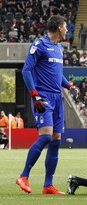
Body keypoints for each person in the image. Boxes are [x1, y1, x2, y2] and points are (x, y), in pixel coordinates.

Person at [16, 15, 75, 194]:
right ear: (58, 27)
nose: (67, 29)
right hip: (43, 97)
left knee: (56, 140)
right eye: (65, 26)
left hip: (57, 98)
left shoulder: (58, 47)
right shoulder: (39, 45)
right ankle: (23, 176)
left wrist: (69, 85)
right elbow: (26, 70)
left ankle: (48, 185)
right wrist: (34, 95)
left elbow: (57, 74)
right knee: (46, 137)